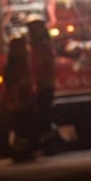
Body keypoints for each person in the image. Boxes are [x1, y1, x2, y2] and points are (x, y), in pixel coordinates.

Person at [27, 16, 59, 155]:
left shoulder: (39, 47)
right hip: (46, 85)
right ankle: (48, 143)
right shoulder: (45, 44)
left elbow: (37, 66)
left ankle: (48, 145)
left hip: (43, 85)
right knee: (44, 115)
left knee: (43, 116)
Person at [4, 35, 36, 162]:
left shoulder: (11, 64)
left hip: (18, 102)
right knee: (23, 128)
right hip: (21, 101)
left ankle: (21, 152)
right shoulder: (19, 63)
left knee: (21, 129)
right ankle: (22, 152)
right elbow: (20, 83)